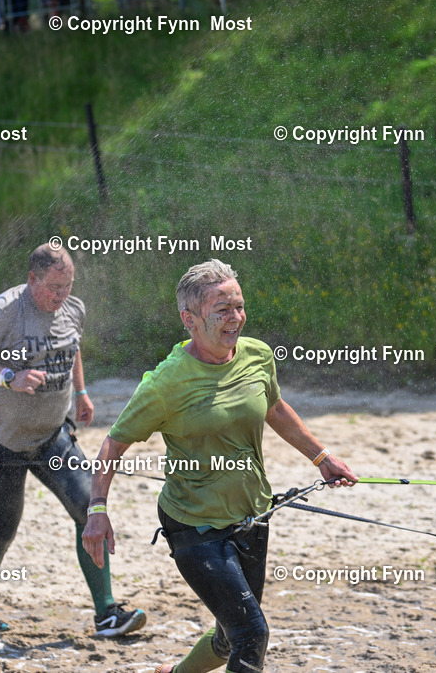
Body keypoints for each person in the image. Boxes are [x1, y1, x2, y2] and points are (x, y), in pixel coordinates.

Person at [82, 259, 357, 673]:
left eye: (239, 307)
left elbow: (274, 407)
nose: (236, 318)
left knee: (230, 638)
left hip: (252, 514)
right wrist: (97, 510)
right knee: (251, 634)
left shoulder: (257, 355)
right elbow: (112, 445)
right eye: (222, 310)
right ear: (189, 320)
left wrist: (322, 457)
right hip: (194, 525)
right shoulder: (165, 383)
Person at [0, 243, 146, 637]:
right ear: (32, 279)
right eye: (54, 287)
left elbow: (71, 347)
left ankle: (107, 612)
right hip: (1, 444)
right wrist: (10, 377)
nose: (61, 295)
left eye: (68, 286)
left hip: (52, 438)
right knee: (2, 532)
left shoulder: (73, 308)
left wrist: (81, 392)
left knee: (88, 509)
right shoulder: (4, 311)